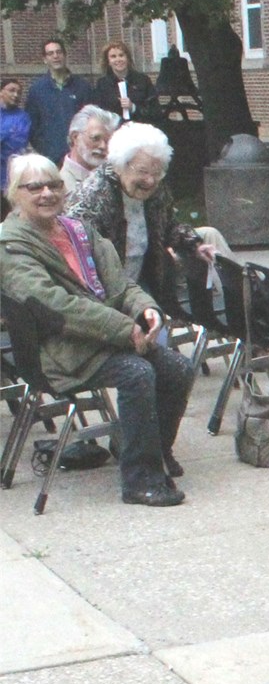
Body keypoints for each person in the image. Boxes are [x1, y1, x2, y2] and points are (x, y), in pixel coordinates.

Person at [1, 154, 193, 506]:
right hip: (56, 349)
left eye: (54, 185)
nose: (47, 193)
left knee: (178, 368)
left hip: (101, 337)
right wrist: (125, 329)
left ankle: (140, 447)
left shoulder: (77, 230)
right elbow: (55, 306)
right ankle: (140, 480)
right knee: (137, 373)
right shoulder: (10, 245)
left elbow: (120, 284)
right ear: (15, 194)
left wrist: (146, 310)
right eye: (35, 187)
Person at [66, 122, 217, 323]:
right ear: (121, 165)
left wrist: (193, 244)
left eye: (157, 173)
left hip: (142, 284)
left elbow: (168, 225)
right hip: (103, 296)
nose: (150, 181)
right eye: (143, 171)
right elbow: (81, 259)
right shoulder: (93, 198)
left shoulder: (156, 191)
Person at [26, 38, 91, 161]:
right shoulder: (37, 90)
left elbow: (90, 120)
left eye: (59, 52)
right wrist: (46, 150)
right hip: (51, 157)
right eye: (50, 53)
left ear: (65, 55)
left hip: (80, 156)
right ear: (45, 59)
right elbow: (33, 126)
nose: (55, 56)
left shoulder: (82, 86)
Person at [90, 41, 156, 125]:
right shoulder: (103, 84)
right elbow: (99, 112)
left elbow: (154, 110)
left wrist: (133, 107)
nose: (118, 59)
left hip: (139, 129)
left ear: (127, 58)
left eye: (121, 55)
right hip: (114, 131)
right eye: (113, 57)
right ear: (108, 62)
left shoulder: (143, 80)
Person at [61, 105, 119, 190]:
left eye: (108, 141)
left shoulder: (115, 179)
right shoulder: (60, 184)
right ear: (75, 137)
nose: (103, 146)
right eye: (96, 138)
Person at [0, 80, 30, 212]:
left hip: (10, 172)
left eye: (19, 92)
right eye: (12, 90)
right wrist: (8, 132)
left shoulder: (22, 117)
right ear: (1, 92)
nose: (16, 94)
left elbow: (18, 142)